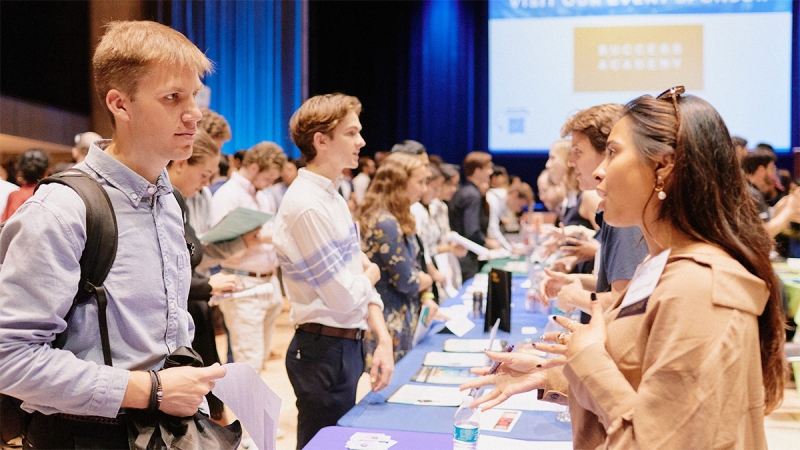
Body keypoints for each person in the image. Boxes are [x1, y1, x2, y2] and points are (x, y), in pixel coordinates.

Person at [464, 88, 786, 449]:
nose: (598, 172)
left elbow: (661, 441)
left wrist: (587, 358)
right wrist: (546, 375)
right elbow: (642, 384)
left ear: (663, 168)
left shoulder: (700, 286)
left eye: (613, 153)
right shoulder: (660, 263)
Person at [0, 20, 225, 447]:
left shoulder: (168, 201)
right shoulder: (62, 211)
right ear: (120, 105)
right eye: (173, 97)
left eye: (195, 95)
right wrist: (151, 390)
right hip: (86, 435)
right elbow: (9, 358)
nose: (194, 113)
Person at [274, 93, 394, 449]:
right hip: (322, 349)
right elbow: (345, 296)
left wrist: (383, 339)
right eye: (351, 132)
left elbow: (356, 280)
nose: (362, 141)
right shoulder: (307, 205)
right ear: (321, 141)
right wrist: (371, 274)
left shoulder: (333, 196)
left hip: (343, 346)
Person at [165, 129, 238, 422]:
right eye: (205, 175)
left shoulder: (175, 201)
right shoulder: (163, 199)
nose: (207, 184)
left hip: (192, 314)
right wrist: (207, 285)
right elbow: (164, 280)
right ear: (180, 163)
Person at [210, 141, 286, 372]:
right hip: (242, 280)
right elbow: (217, 245)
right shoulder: (228, 194)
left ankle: (255, 408)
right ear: (254, 168)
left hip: (268, 280)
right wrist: (258, 238)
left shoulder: (263, 195)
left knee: (259, 359)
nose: (271, 183)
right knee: (247, 363)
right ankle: (243, 409)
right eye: (269, 177)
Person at [357, 153, 435, 363]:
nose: (424, 189)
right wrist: (429, 279)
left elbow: (414, 265)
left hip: (399, 316)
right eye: (419, 182)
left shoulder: (396, 217)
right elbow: (407, 281)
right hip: (390, 320)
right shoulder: (386, 222)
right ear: (400, 183)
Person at [449, 151, 496, 280]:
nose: (491, 172)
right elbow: (472, 231)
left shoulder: (465, 191)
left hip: (461, 256)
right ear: (477, 171)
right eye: (488, 168)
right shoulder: (472, 195)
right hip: (466, 258)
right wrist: (489, 243)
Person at [1, 149, 49, 221]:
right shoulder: (49, 194)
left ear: (21, 171)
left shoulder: (17, 195)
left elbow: (7, 226)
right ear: (46, 172)